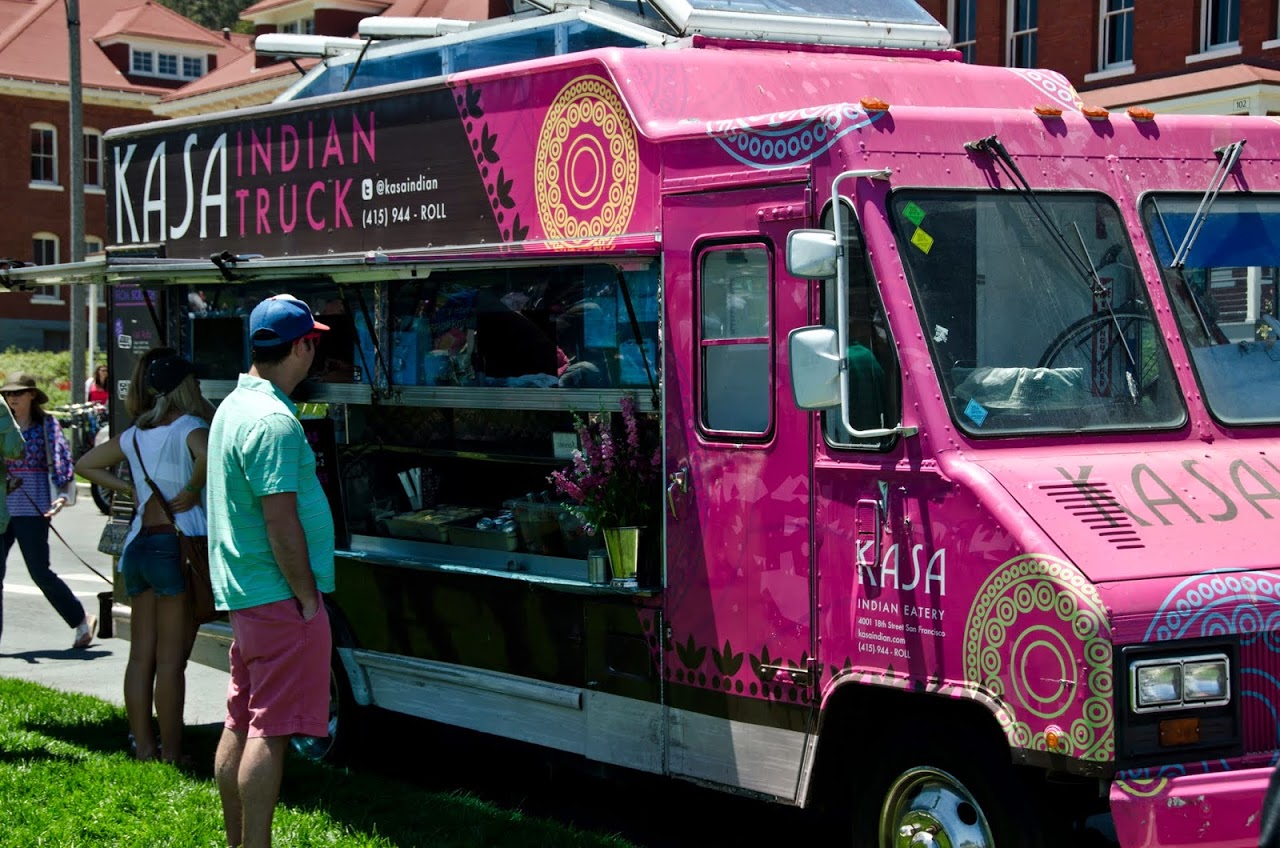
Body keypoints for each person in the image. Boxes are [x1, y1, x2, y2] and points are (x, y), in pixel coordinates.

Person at [208, 294, 335, 848]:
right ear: (303, 346)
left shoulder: (234, 405)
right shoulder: (273, 421)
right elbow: (280, 522)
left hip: (247, 592)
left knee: (241, 719)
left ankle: (237, 842)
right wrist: (307, 599)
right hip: (279, 596)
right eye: (314, 341)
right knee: (272, 729)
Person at [75, 354, 214, 764]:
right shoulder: (190, 426)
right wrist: (192, 488)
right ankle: (172, 752)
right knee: (171, 662)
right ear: (185, 388)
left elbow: (85, 464)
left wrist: (129, 487)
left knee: (140, 657)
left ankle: (144, 747)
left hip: (137, 544)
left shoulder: (135, 435)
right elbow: (208, 454)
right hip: (175, 542)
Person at [0, 372, 95, 649]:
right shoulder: (2, 426)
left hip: (33, 506)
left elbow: (62, 458)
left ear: (31, 396)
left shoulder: (46, 425)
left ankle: (80, 620)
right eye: (7, 394)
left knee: (39, 572)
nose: (11, 398)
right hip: (2, 507)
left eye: (17, 393)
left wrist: (63, 495)